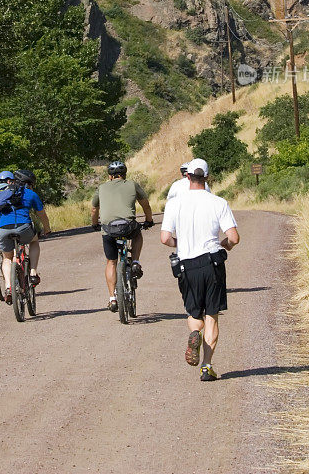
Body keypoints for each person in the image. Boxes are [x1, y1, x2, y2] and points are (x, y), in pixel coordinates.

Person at [160, 158, 239, 381]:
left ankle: (194, 332)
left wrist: (181, 243)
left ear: (187, 177)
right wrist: (224, 245)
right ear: (207, 177)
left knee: (194, 312)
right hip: (212, 262)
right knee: (212, 315)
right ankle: (207, 366)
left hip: (187, 265)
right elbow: (234, 237)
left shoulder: (175, 203)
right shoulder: (218, 202)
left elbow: (165, 238)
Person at [91, 161, 154, 312]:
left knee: (111, 262)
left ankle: (112, 298)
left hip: (108, 229)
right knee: (137, 234)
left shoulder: (101, 188)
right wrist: (149, 220)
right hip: (127, 227)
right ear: (124, 174)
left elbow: (94, 209)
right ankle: (136, 261)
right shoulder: (132, 184)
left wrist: (95, 224)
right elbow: (145, 204)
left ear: (109, 176)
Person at [0, 168, 51, 304]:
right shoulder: (30, 194)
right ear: (28, 184)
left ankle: (8, 287)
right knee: (34, 241)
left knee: (7, 258)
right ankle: (32, 273)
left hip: (3, 230)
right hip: (23, 228)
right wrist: (47, 229)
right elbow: (42, 215)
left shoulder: (0, 193)